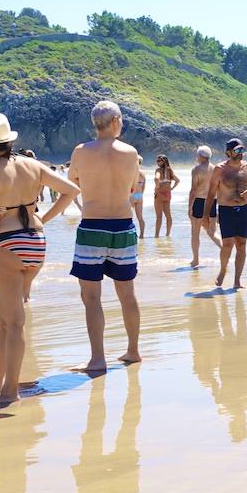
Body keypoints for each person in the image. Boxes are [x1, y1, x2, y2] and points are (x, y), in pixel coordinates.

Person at [0, 113, 79, 405]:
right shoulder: (30, 164)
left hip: (3, 245)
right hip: (35, 243)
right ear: (10, 140)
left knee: (13, 322)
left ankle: (9, 391)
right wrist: (45, 218)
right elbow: (71, 190)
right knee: (1, 315)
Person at [68, 101, 143, 371]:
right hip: (123, 225)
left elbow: (71, 182)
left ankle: (98, 358)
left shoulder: (81, 151)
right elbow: (134, 186)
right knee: (127, 293)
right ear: (115, 121)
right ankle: (133, 350)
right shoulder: (131, 152)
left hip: (92, 226)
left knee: (91, 297)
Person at [207, 138, 247, 289]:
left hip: (243, 210)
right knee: (228, 244)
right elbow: (211, 194)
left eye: (242, 150)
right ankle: (223, 270)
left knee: (241, 245)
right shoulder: (220, 169)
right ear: (228, 152)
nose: (240, 153)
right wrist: (207, 215)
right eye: (237, 150)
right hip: (226, 210)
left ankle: (237, 281)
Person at [187, 146, 222, 268]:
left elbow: (193, 190)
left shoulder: (197, 170)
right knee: (212, 232)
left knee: (195, 233)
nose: (196, 158)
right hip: (212, 201)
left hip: (199, 202)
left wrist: (189, 207)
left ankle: (195, 260)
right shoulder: (216, 169)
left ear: (201, 156)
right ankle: (224, 250)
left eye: (197, 155)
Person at [153, 154, 180, 238]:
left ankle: (156, 235)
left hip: (160, 195)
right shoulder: (170, 170)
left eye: (158, 161)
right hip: (168, 194)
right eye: (157, 161)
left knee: (159, 216)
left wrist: (157, 187)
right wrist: (172, 188)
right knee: (168, 215)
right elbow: (177, 180)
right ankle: (168, 234)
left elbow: (156, 178)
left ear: (163, 161)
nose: (157, 162)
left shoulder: (158, 170)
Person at [129, 158, 147, 235]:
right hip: (139, 195)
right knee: (140, 217)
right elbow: (143, 187)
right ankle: (142, 235)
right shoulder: (142, 173)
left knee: (129, 217)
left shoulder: (132, 172)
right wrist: (140, 194)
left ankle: (132, 233)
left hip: (132, 195)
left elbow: (130, 186)